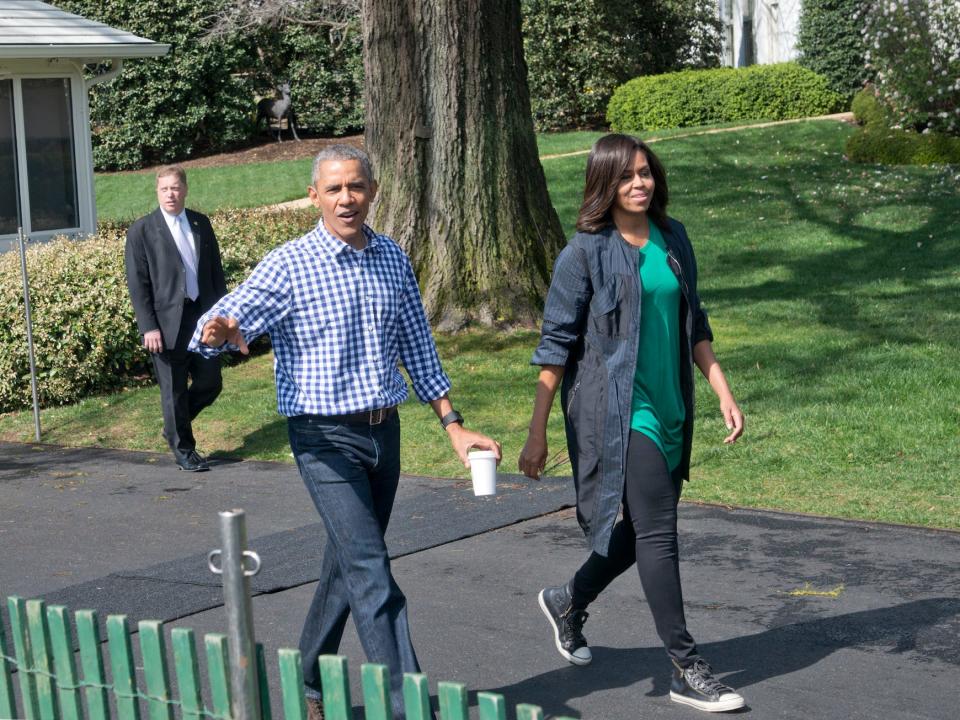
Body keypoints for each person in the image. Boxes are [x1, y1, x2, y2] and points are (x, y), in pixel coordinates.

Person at [189, 145, 501, 720]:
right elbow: (234, 316)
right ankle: (409, 707)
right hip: (324, 441)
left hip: (385, 436)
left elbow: (418, 347)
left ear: (373, 191)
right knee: (371, 572)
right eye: (333, 189)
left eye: (355, 187)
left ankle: (309, 678)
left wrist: (453, 425)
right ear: (314, 196)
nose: (345, 199)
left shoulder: (392, 259)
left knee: (348, 563)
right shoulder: (290, 263)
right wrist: (220, 329)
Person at [518, 134, 746, 713]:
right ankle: (685, 667)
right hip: (616, 412)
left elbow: (695, 321)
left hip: (672, 405)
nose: (639, 184)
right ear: (604, 184)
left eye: (645, 173)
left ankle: (568, 599)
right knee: (659, 534)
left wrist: (722, 390)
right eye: (626, 177)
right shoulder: (585, 252)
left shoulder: (673, 238)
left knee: (636, 535)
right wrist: (538, 431)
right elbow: (555, 348)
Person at [125, 165, 227, 472]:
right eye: (164, 189)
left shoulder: (200, 223)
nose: (171, 194)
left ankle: (173, 427)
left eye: (175, 188)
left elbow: (215, 273)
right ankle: (184, 450)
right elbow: (137, 283)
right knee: (174, 389)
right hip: (167, 324)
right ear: (157, 192)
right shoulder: (142, 230)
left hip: (203, 318)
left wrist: (223, 316)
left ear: (185, 189)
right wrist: (149, 326)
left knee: (211, 382)